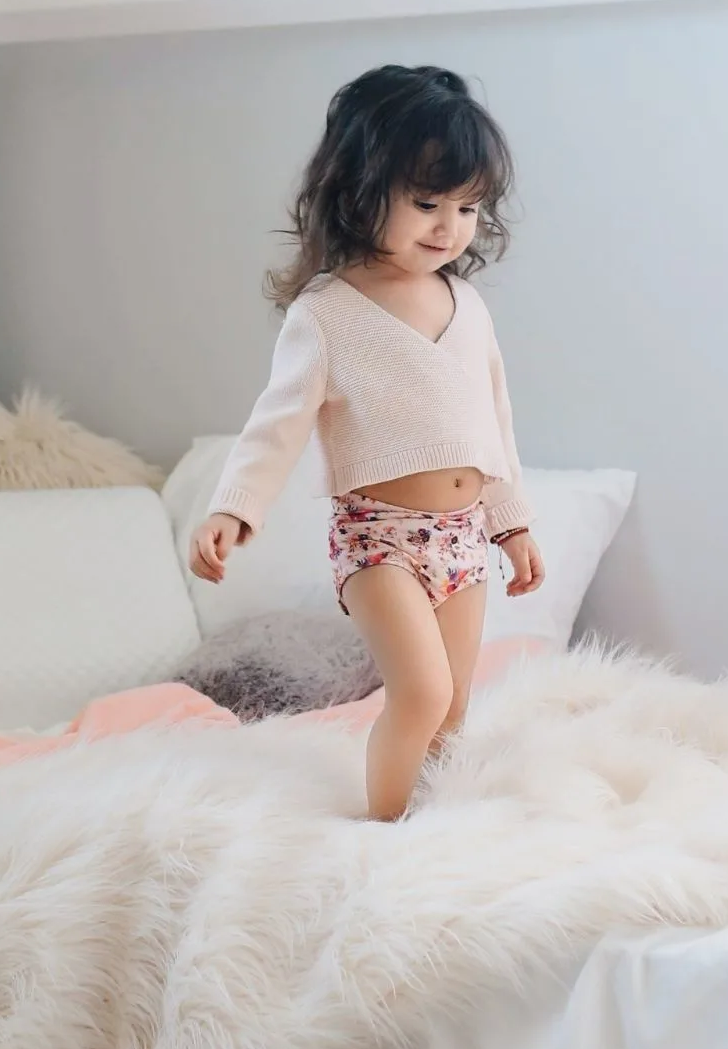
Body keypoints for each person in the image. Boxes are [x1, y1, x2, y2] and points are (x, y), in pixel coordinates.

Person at [191, 65, 544, 820]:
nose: (448, 226)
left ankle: (436, 818)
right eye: (425, 203)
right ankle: (383, 830)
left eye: (468, 207)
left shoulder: (468, 304)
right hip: (378, 540)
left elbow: (495, 424)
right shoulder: (328, 314)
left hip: (462, 539)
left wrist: (511, 523)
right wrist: (233, 508)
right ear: (359, 189)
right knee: (421, 695)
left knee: (452, 713)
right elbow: (276, 423)